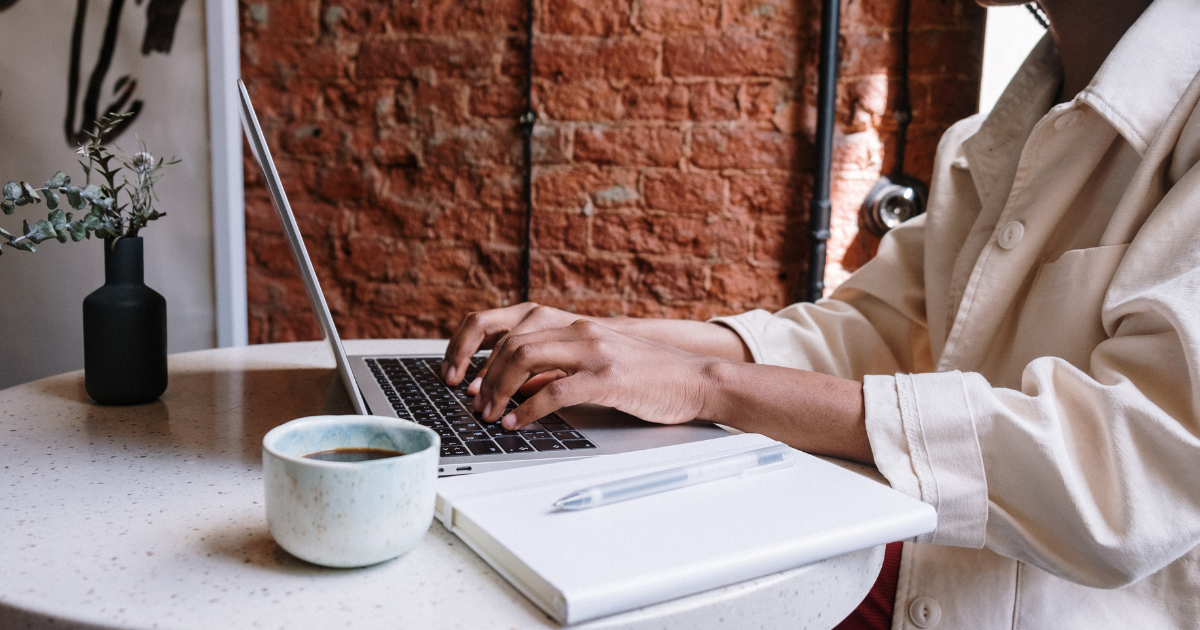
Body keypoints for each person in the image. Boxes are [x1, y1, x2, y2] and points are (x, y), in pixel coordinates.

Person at [438, 0, 1200, 626]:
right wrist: (611, 341)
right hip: (924, 582)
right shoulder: (1007, 129)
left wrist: (708, 385)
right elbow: (871, 332)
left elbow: (1126, 472)